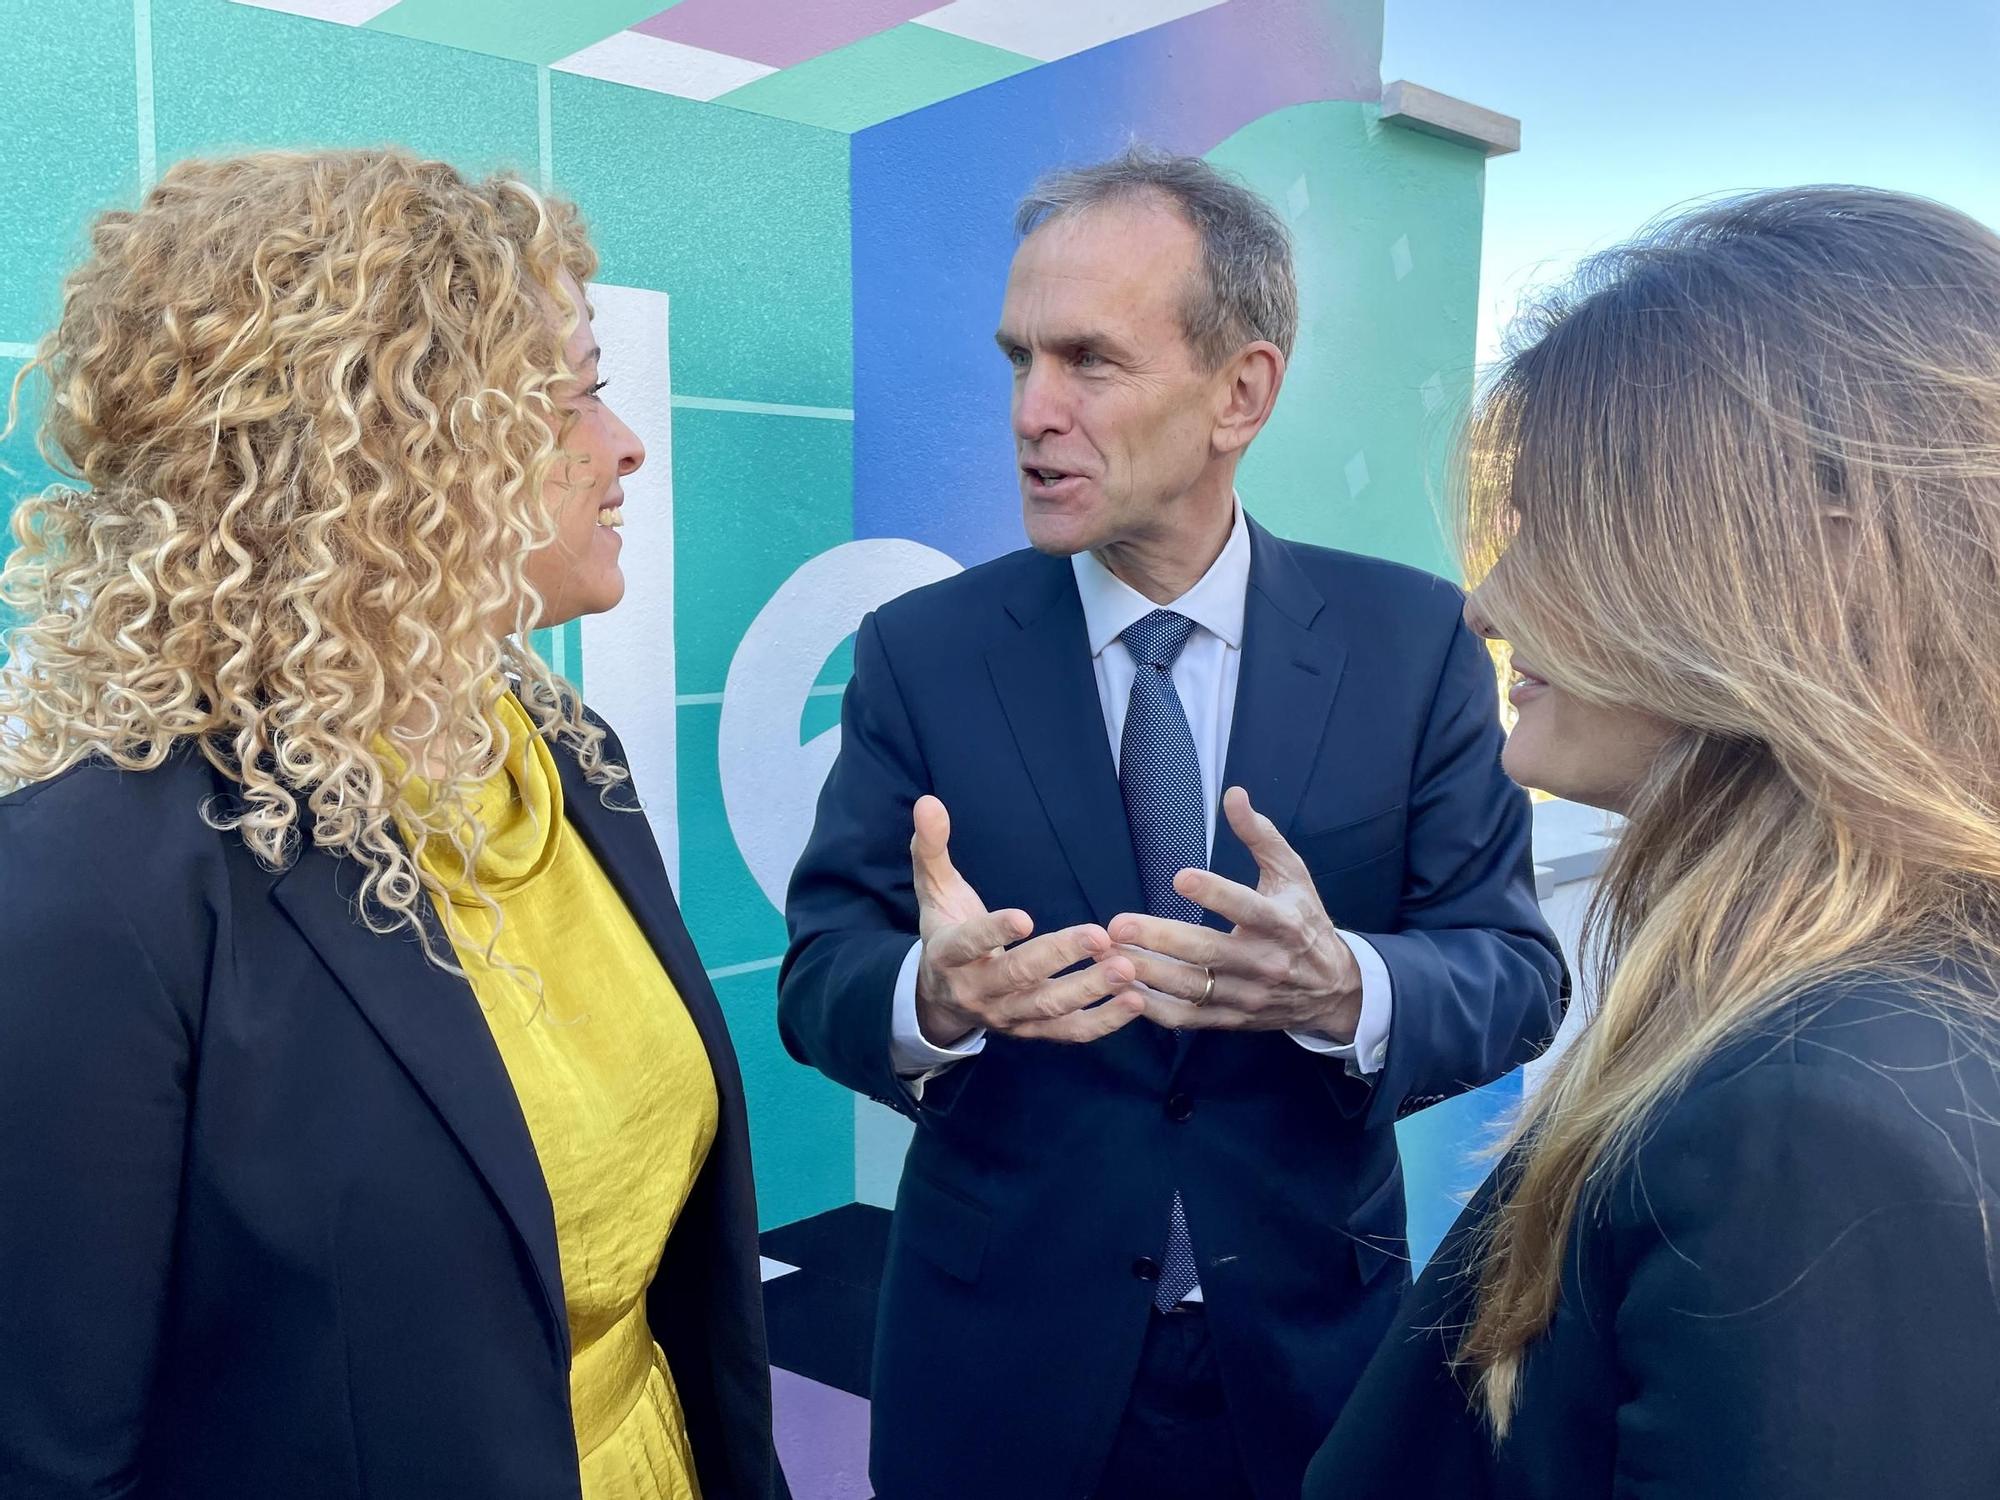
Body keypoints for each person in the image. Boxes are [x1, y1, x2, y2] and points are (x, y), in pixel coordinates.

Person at [779, 146, 1565, 1500]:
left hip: (1311, 1363)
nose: (1033, 411)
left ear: (1240, 392)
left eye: (1088, 360)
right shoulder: (919, 655)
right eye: (1019, 359)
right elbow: (819, 979)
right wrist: (934, 994)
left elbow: (1511, 970)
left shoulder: (1413, 642)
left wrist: (1346, 987)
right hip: (999, 1370)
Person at [0, 149, 787, 1500]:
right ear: (390, 445)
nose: (625, 444)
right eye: (572, 395)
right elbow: (56, 1455)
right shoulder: (95, 882)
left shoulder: (559, 750)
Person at [1306, 186, 2000, 1498]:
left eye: (1558, 520)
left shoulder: (1814, 1125)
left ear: (1811, 554)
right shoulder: (1854, 1022)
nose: (1492, 595)